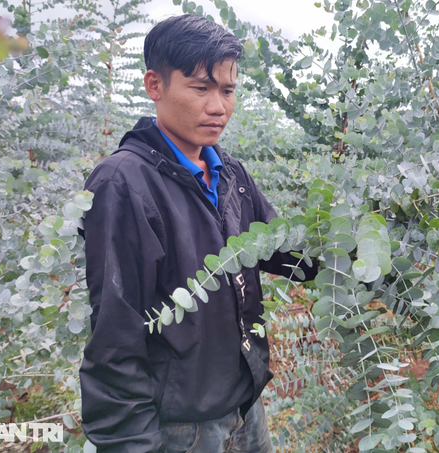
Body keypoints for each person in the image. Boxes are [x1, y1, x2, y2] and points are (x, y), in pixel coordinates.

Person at [78, 14, 317, 453]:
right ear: (155, 85)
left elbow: (284, 252)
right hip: (181, 429)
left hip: (244, 406)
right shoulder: (123, 184)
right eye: (201, 88)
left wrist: (366, 246)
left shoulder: (230, 174)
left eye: (227, 90)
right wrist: (130, 443)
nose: (218, 106)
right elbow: (116, 333)